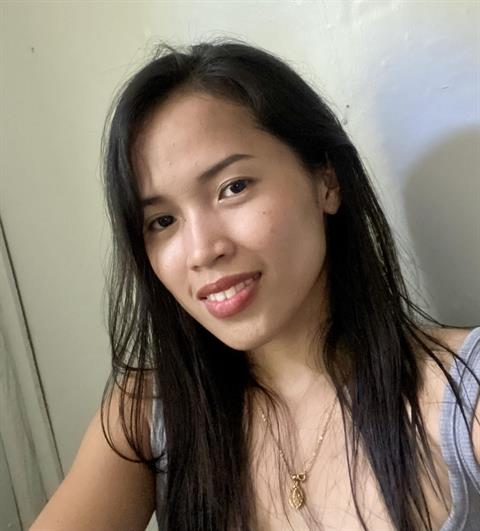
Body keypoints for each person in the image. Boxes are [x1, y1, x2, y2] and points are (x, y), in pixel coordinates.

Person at [30, 38, 480, 531]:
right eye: (163, 221)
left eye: (233, 188)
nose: (202, 251)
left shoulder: (462, 398)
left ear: (327, 182)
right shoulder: (145, 418)